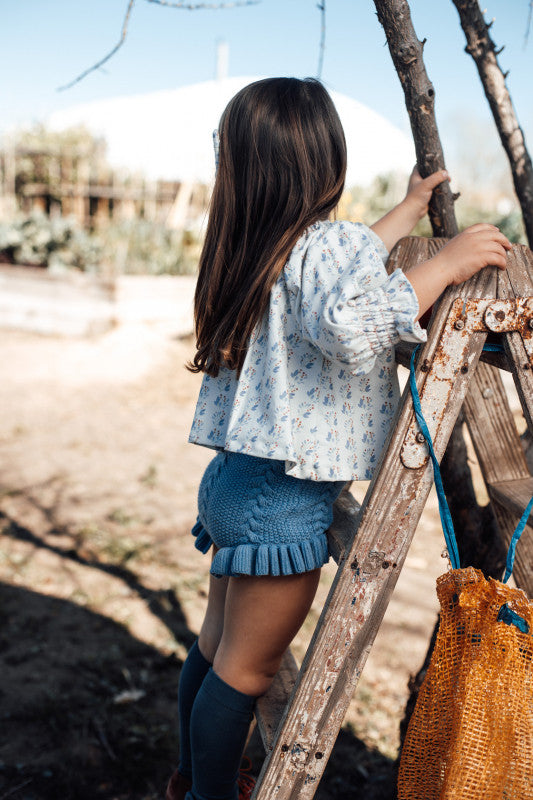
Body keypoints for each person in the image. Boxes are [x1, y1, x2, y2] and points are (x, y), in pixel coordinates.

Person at [165, 77, 511, 800]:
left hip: (241, 483)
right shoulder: (320, 248)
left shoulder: (266, 246)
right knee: (247, 671)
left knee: (214, 648)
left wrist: (409, 210)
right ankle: (209, 794)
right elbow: (350, 320)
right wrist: (444, 263)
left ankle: (190, 778)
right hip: (281, 501)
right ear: (326, 160)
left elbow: (344, 266)